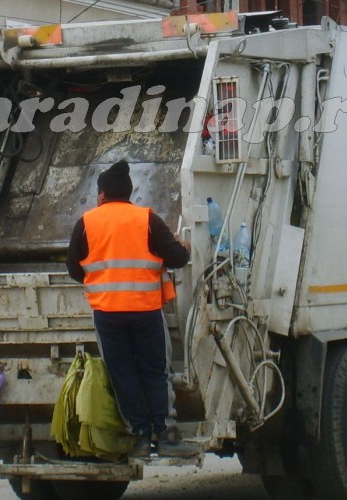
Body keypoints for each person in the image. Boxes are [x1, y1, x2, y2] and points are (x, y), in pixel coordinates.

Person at [66, 160, 197, 458]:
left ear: (102, 195)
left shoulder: (86, 223)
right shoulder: (147, 219)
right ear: (129, 193)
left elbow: (74, 268)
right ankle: (166, 436)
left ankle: (139, 438)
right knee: (155, 372)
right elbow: (177, 258)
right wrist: (184, 247)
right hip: (146, 311)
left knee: (123, 374)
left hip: (108, 315)